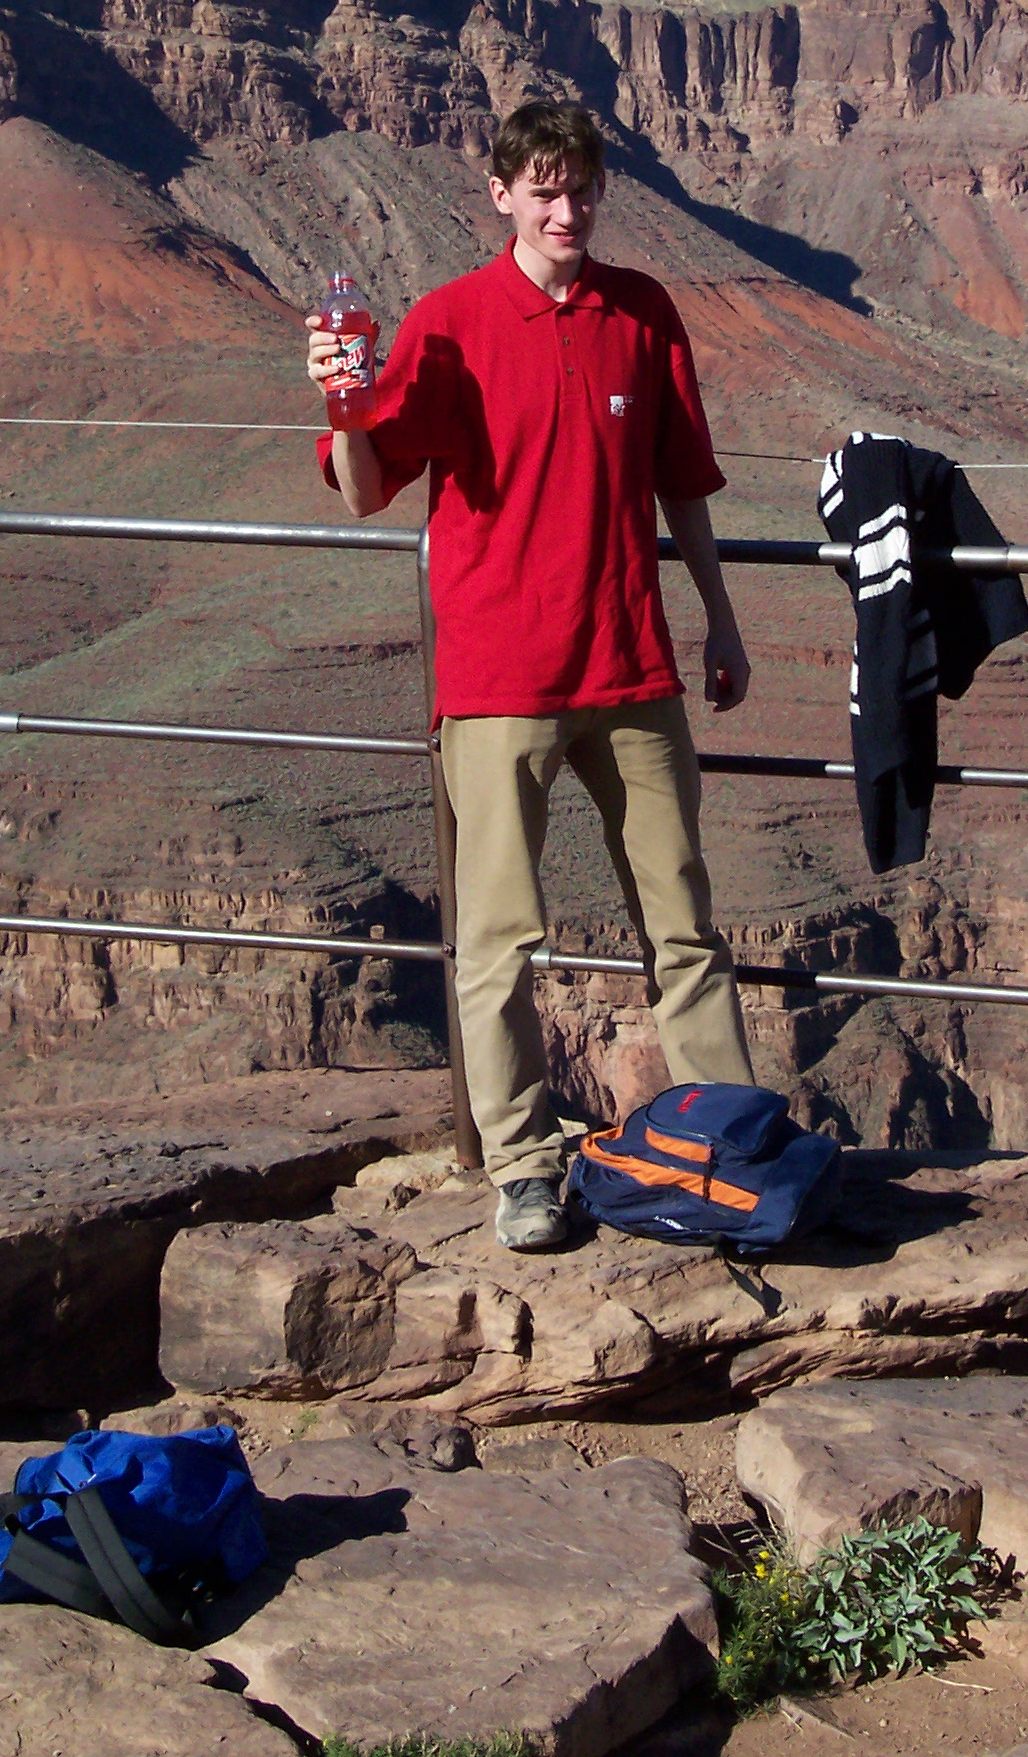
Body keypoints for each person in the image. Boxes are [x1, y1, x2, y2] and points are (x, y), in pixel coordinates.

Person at [306, 99, 756, 1250]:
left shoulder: (641, 312)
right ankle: (521, 1167)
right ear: (501, 194)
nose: (566, 212)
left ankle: (731, 1143)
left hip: (633, 664)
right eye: (544, 192)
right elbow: (364, 490)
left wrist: (720, 620)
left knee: (685, 924)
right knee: (501, 941)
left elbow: (682, 485)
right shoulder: (450, 323)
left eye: (581, 190)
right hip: (500, 682)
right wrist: (340, 405)